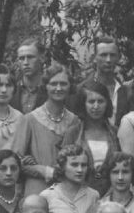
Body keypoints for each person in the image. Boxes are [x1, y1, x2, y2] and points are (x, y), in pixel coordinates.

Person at [13, 63, 85, 194]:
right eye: (53, 84)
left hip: (67, 190)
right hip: (37, 189)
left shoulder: (75, 121)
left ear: (70, 87)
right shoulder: (30, 120)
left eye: (63, 84)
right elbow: (15, 160)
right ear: (45, 86)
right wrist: (40, 169)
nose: (58, 88)